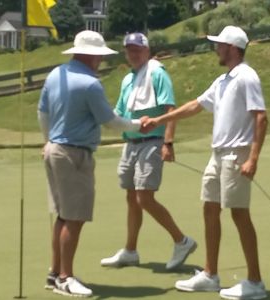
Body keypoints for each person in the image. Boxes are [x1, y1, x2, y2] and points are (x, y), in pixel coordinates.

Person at [142, 26, 269, 300]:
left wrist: (254, 159)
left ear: (232, 48)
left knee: (239, 214)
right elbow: (195, 106)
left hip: (237, 154)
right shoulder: (223, 80)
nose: (216, 49)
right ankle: (210, 275)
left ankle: (255, 281)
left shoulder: (247, 77)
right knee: (210, 209)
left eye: (220, 45)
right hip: (218, 154)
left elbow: (261, 117)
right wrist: (159, 121)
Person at [38, 30, 146, 297]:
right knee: (73, 219)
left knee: (63, 216)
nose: (100, 61)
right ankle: (65, 277)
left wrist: (47, 140)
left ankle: (55, 273)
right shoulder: (89, 83)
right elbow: (110, 121)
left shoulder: (56, 74)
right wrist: (138, 125)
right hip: (74, 154)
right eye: (98, 56)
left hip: (54, 149)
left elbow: (42, 112)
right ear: (89, 56)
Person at [100, 32, 197, 271]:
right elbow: (120, 112)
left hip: (152, 141)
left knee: (145, 198)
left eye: (137, 49)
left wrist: (168, 142)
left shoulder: (157, 73)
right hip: (130, 144)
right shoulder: (127, 80)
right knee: (131, 198)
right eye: (129, 50)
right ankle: (130, 251)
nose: (133, 54)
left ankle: (182, 241)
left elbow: (170, 109)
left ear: (147, 50)